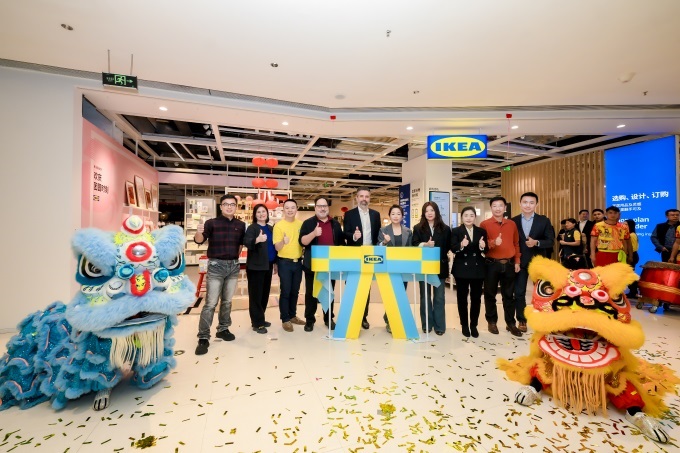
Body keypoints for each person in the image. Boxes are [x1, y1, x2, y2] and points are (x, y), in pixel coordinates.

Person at [194, 194, 246, 355]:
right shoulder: (211, 223)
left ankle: (223, 329)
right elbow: (199, 240)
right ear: (221, 206)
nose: (229, 207)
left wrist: (234, 259)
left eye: (232, 204)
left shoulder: (241, 225)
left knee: (227, 301)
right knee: (210, 303)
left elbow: (240, 245)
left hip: (233, 266)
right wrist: (198, 232)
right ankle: (203, 337)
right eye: (226, 204)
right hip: (216, 266)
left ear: (236, 207)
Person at [300, 196, 345, 332]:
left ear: (328, 208)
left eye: (324, 206)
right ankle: (309, 320)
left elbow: (341, 243)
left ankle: (328, 318)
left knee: (329, 292)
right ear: (315, 208)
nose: (322, 208)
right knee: (311, 294)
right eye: (319, 206)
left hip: (330, 266)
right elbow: (302, 241)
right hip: (312, 266)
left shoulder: (335, 224)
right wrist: (314, 233)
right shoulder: (308, 223)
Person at [512, 192, 555, 333]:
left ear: (536, 204)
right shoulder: (513, 221)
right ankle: (522, 320)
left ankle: (543, 319)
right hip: (520, 262)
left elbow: (550, 241)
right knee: (519, 292)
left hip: (538, 263)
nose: (528, 205)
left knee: (543, 292)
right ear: (520, 203)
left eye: (531, 202)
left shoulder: (544, 220)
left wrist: (537, 242)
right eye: (525, 202)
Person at [480, 197, 522, 337]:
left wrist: (517, 261)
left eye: (500, 206)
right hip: (491, 264)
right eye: (494, 206)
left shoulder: (512, 224)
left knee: (509, 295)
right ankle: (492, 322)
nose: (497, 208)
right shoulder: (484, 224)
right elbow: (482, 245)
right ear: (491, 208)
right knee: (490, 294)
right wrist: (493, 242)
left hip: (509, 264)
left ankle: (511, 323)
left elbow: (516, 243)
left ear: (505, 208)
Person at [343, 188, 381, 329]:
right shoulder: (349, 214)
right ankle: (351, 316)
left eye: (367, 196)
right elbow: (345, 233)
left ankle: (363, 317)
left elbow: (377, 235)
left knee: (366, 287)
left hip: (369, 255)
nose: (364, 199)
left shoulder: (375, 215)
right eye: (361, 196)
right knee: (351, 286)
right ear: (356, 198)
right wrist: (353, 236)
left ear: (370, 198)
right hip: (354, 254)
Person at [412, 201, 451, 335]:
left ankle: (439, 326)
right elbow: (414, 244)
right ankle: (427, 324)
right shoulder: (418, 228)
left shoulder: (445, 229)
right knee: (425, 296)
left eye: (432, 210)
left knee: (439, 297)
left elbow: (448, 246)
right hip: (424, 267)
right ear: (423, 213)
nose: (429, 213)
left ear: (436, 212)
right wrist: (425, 244)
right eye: (427, 211)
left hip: (440, 267)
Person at [450, 207, 488, 338]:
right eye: (466, 215)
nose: (468, 218)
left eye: (471, 215)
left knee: (476, 298)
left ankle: (474, 325)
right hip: (461, 269)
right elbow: (453, 248)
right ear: (462, 217)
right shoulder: (456, 231)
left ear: (475, 217)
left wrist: (483, 246)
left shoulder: (481, 231)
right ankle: (464, 325)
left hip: (478, 269)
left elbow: (486, 250)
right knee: (462, 298)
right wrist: (461, 244)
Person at [377, 205, 413, 334]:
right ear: (390, 215)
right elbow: (378, 247)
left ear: (402, 216)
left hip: (402, 268)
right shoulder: (383, 230)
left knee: (400, 295)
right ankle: (390, 321)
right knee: (390, 295)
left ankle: (394, 318)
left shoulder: (408, 231)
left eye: (398, 214)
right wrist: (384, 242)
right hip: (389, 268)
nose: (396, 216)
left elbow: (411, 250)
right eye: (393, 214)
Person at [272, 199, 305, 333]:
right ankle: (285, 319)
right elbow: (277, 247)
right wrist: (283, 242)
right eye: (287, 208)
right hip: (284, 263)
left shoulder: (301, 224)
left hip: (298, 262)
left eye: (292, 207)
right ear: (283, 210)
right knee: (285, 291)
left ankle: (292, 316)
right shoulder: (279, 226)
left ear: (296, 209)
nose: (290, 210)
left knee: (295, 291)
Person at [243, 204, 277, 334]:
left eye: (263, 211)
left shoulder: (270, 228)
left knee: (264, 294)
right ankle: (257, 323)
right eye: (258, 212)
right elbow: (246, 241)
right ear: (255, 215)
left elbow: (273, 247)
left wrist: (275, 263)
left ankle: (260, 317)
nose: (261, 214)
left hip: (268, 265)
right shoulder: (252, 228)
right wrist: (257, 240)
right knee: (256, 296)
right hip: (256, 267)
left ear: (267, 213)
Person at [625, 219, 640, 298]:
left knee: (630, 274)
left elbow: (632, 248)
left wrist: (629, 256)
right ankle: (633, 291)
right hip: (630, 255)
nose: (624, 226)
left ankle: (634, 291)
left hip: (631, 255)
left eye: (626, 224)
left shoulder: (632, 235)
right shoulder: (628, 234)